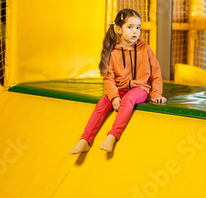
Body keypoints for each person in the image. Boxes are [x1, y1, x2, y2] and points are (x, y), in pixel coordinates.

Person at [70, 9, 166, 154]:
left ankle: (112, 136)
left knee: (128, 99)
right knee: (102, 104)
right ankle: (85, 140)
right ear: (119, 29)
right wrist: (114, 96)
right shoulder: (112, 52)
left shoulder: (144, 49)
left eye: (138, 27)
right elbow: (108, 78)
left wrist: (156, 94)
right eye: (130, 27)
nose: (135, 31)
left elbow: (156, 72)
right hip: (120, 88)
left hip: (140, 89)